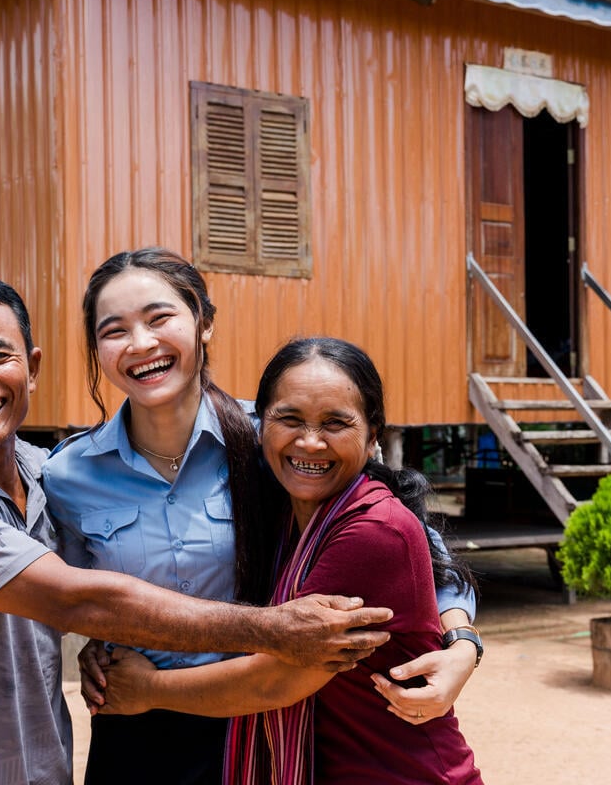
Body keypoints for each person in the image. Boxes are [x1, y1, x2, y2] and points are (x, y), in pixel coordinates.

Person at [0, 271, 397, 785]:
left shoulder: (45, 472)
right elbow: (77, 602)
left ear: (32, 368)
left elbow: (385, 515)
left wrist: (459, 631)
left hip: (174, 745)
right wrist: (274, 630)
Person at [42, 250, 481, 784]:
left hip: (257, 720)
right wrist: (100, 639)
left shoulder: (277, 437)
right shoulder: (69, 474)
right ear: (97, 349)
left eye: (160, 319)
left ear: (204, 323)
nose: (141, 344)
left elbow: (413, 546)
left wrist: (462, 643)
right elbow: (78, 596)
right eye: (114, 331)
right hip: (135, 720)